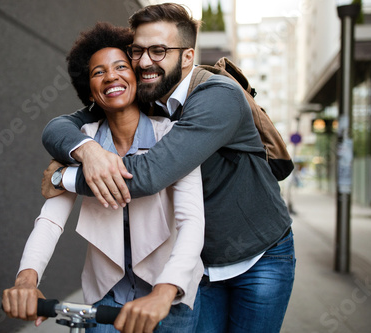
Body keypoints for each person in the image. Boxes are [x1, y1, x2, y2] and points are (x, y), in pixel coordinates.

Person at [42, 3, 295, 332]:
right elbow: (59, 127)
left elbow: (149, 175)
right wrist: (87, 150)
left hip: (259, 256)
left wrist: (65, 177)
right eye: (138, 51)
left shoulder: (218, 98)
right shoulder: (146, 93)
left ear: (187, 56)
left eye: (159, 50)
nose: (145, 61)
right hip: (200, 263)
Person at [2, 22, 205, 333]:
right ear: (90, 88)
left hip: (169, 295)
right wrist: (26, 279)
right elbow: (50, 220)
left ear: (137, 75)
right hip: (105, 296)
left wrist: (166, 291)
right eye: (98, 72)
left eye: (121, 66)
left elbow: (191, 221)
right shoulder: (80, 142)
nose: (111, 76)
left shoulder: (173, 136)